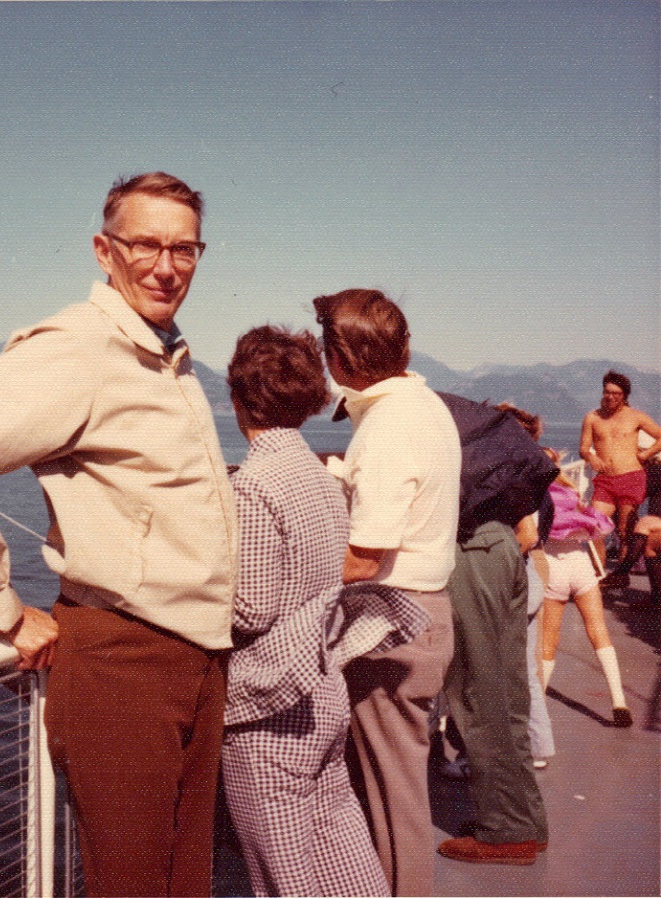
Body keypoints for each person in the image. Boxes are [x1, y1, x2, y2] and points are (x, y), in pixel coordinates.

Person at [0, 172, 239, 898]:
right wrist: (3, 607)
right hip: (124, 663)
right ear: (104, 251)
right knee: (131, 886)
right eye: (145, 246)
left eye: (184, 249)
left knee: (185, 884)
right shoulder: (80, 349)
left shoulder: (163, 353)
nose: (166, 267)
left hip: (199, 657)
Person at [221, 325, 388, 898]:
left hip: (270, 708)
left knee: (284, 875)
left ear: (238, 398)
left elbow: (250, 610)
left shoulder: (252, 485)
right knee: (340, 843)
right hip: (323, 690)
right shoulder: (319, 475)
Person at [314, 289, 461, 897]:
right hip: (422, 613)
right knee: (389, 788)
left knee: (392, 801)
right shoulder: (423, 405)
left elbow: (364, 556)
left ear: (341, 357)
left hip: (392, 623)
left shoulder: (388, 427)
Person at [436, 394, 556, 866]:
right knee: (507, 697)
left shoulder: (422, 415)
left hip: (473, 553)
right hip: (502, 547)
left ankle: (505, 832)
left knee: (477, 693)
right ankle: (525, 822)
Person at [540, 456, 633, 727]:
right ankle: (619, 702)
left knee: (548, 641)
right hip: (580, 566)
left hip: (553, 567)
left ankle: (539, 707)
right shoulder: (570, 492)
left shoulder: (535, 494)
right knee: (599, 632)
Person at [495, 404, 556, 768]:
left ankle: (487, 754)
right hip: (528, 577)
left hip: (511, 580)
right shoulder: (539, 479)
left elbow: (528, 536)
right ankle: (537, 746)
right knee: (525, 671)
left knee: (490, 670)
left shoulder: (517, 481)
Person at [580, 370, 661, 582]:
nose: (610, 396)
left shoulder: (636, 416)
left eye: (616, 393)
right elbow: (583, 448)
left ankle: (620, 576)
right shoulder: (592, 417)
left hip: (631, 478)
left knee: (626, 531)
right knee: (595, 527)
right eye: (607, 392)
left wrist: (646, 454)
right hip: (605, 481)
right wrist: (590, 456)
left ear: (624, 395)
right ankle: (598, 575)